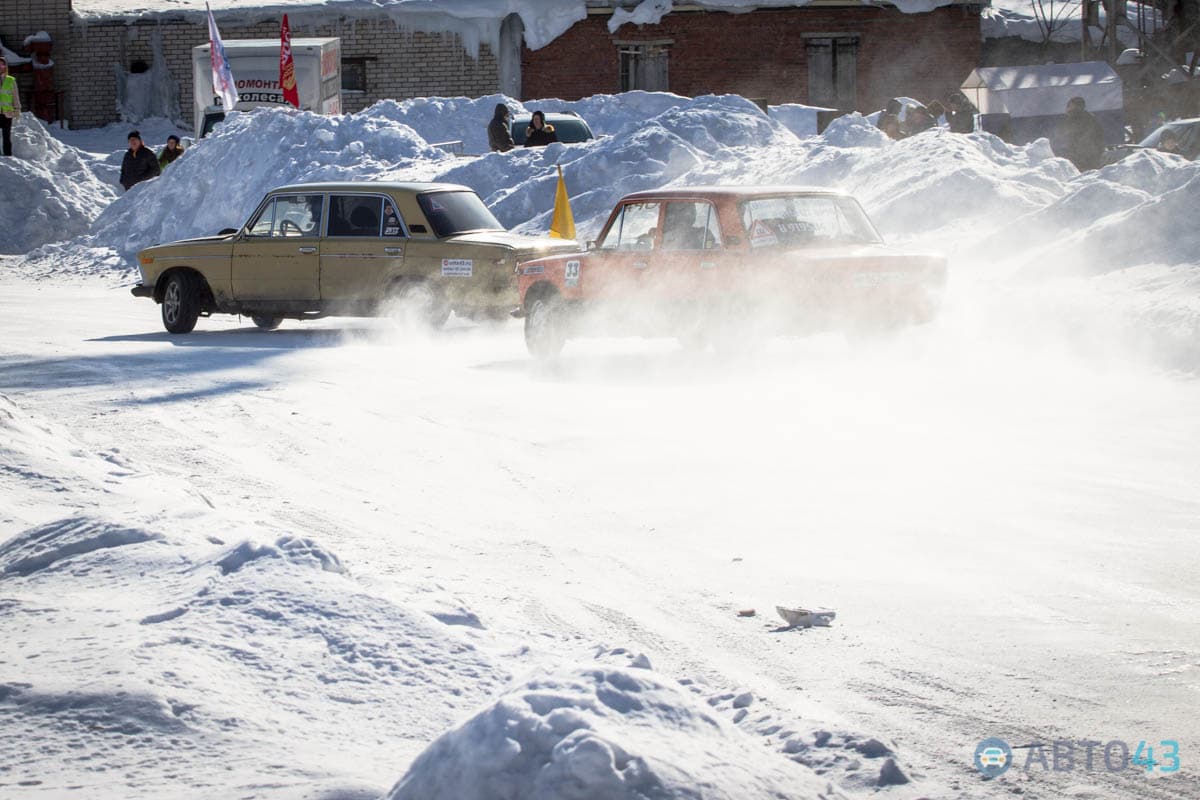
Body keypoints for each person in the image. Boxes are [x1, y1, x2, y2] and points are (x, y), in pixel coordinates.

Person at [1052, 96, 1105, 171]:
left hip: (1083, 159)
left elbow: (1072, 138)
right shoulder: (1089, 118)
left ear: (1076, 107)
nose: (1067, 108)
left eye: (1069, 105)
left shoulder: (1077, 120)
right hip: (1089, 157)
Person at [0, 56, 21, 157]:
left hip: (7, 113)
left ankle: (8, 157)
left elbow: (15, 96)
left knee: (6, 136)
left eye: (2, 64)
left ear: (5, 66)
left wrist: (17, 109)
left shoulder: (11, 80)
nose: (0, 66)